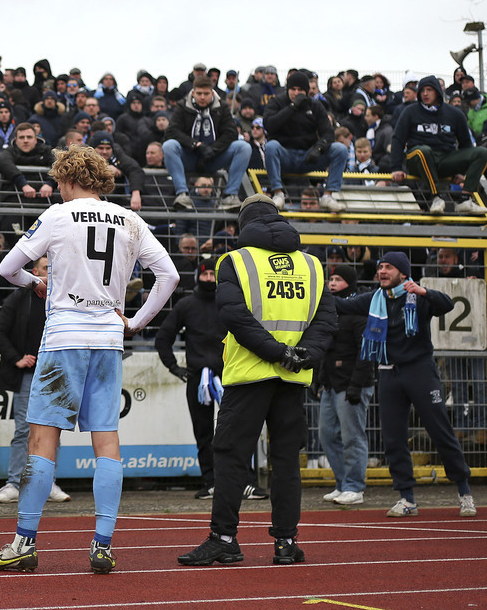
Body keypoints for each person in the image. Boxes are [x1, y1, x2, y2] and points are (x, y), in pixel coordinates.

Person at [0, 144, 179, 574]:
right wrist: (135, 322)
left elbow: (7, 269)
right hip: (108, 339)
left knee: (42, 441)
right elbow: (170, 275)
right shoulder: (130, 219)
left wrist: (37, 282)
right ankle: (103, 544)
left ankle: (24, 543)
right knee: (106, 440)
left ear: (67, 179)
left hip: (64, 337)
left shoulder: (56, 214)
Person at [178, 193, 336, 567]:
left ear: (242, 224)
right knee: (285, 461)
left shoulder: (235, 260)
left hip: (249, 375)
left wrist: (276, 352)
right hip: (293, 378)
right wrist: (301, 356)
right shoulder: (312, 265)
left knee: (231, 457)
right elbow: (326, 322)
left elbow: (235, 316)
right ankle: (285, 542)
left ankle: (224, 538)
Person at [333, 252, 477, 518]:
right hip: (389, 373)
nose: (382, 272)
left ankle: (464, 492)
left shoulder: (418, 297)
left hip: (420, 371)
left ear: (403, 272)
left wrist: (424, 291)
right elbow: (340, 306)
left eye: (389, 267)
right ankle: (407, 498)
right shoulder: (375, 299)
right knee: (393, 439)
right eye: (380, 267)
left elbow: (447, 304)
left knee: (440, 431)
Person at [0, 255, 70, 505]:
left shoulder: (64, 299)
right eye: (46, 268)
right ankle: (14, 483)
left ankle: (48, 483)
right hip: (27, 376)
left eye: (53, 269)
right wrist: (17, 358)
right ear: (34, 272)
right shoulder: (19, 298)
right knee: (24, 430)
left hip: (55, 375)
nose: (50, 273)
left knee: (53, 431)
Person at [155, 258, 227, 499]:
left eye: (212, 276)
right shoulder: (186, 305)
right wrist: (174, 367)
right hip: (198, 379)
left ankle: (242, 482)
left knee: (234, 431)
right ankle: (210, 481)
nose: (209, 280)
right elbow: (163, 338)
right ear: (198, 276)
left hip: (229, 377)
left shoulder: (228, 303)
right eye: (205, 275)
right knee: (203, 432)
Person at [317, 264, 375, 506]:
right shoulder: (330, 311)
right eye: (331, 278)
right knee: (327, 434)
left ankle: (354, 487)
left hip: (351, 384)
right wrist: (319, 379)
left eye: (338, 279)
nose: (332, 283)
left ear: (349, 283)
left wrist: (356, 385)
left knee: (352, 437)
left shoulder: (358, 313)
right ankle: (342, 483)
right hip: (332, 384)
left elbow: (366, 351)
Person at [389, 76, 487, 215]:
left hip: (445, 157)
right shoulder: (410, 111)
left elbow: (466, 144)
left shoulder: (455, 113)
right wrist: (396, 168)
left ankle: (465, 198)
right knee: (423, 151)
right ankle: (436, 197)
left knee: (482, 153)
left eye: (429, 90)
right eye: (422, 90)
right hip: (418, 159)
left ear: (438, 92)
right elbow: (398, 139)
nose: (425, 93)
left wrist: (461, 171)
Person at [263, 70, 348, 213]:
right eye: (293, 89)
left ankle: (328, 196)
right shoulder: (276, 102)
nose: (297, 93)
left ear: (307, 91)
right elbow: (269, 124)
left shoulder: (315, 106)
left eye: (301, 90)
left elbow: (328, 132)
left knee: (340, 149)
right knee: (271, 146)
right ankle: (278, 194)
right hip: (285, 155)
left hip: (309, 157)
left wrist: (319, 148)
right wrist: (292, 107)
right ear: (287, 89)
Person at [163, 75, 251, 211]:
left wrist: (212, 149)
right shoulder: (182, 105)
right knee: (169, 145)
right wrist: (197, 146)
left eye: (206, 93)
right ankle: (182, 194)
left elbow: (231, 133)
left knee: (243, 147)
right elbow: (172, 131)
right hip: (190, 156)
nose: (202, 97)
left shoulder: (221, 106)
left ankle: (230, 195)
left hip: (214, 157)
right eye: (199, 93)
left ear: (212, 92)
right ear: (193, 93)